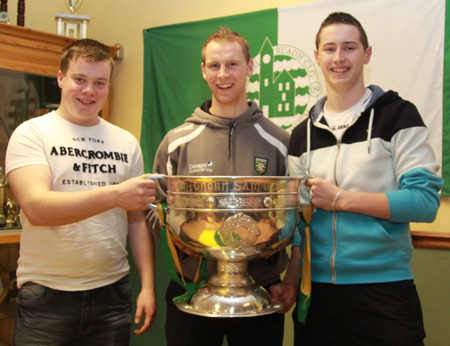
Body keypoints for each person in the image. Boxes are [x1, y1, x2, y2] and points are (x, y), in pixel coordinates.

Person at [288, 12, 443, 346]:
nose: (339, 58)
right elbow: (300, 222)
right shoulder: (301, 136)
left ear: (367, 54)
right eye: (329, 49)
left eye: (349, 47)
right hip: (317, 296)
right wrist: (291, 279)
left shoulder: (399, 115)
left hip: (384, 292)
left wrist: (341, 199)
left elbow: (425, 202)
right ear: (317, 57)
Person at [147, 27, 300, 346]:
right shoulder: (176, 143)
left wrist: (292, 279)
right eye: (214, 65)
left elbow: (298, 218)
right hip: (192, 289)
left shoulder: (281, 142)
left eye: (232, 64)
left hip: (262, 290)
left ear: (250, 67)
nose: (223, 74)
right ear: (203, 70)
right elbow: (155, 210)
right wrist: (180, 235)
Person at [5, 38, 158, 345]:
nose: (89, 91)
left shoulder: (126, 142)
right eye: (80, 79)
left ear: (109, 86)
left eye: (100, 82)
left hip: (112, 294)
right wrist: (115, 195)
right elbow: (37, 208)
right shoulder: (31, 133)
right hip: (46, 296)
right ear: (60, 78)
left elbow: (137, 220)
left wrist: (148, 286)